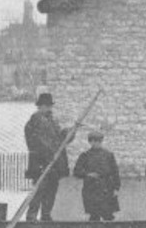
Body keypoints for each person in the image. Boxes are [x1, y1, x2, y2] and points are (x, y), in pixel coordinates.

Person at [23, 92, 69, 221]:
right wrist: (48, 155)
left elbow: (60, 140)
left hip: (54, 164)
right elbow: (35, 143)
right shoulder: (34, 122)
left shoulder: (53, 122)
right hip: (41, 163)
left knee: (51, 191)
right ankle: (31, 217)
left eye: (50, 106)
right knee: (39, 191)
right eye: (46, 106)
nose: (48, 108)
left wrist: (69, 132)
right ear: (40, 106)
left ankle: (46, 216)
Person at [72, 130, 121, 221]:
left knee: (108, 215)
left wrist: (116, 188)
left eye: (99, 141)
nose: (97, 143)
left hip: (106, 188)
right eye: (94, 141)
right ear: (90, 142)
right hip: (91, 189)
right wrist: (87, 174)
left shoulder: (108, 155)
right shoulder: (85, 156)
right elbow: (76, 171)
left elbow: (115, 172)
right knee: (94, 216)